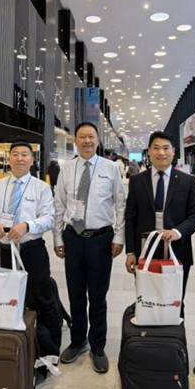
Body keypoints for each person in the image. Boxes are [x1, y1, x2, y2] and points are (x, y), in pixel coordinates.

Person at [0, 141, 61, 386]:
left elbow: (49, 217)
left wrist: (27, 226)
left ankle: (49, 351)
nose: (20, 158)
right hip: (1, 249)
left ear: (32, 160)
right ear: (9, 158)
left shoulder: (41, 187)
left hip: (31, 250)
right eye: (15, 154)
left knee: (42, 298)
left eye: (25, 154)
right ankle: (4, 343)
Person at [53, 122, 125, 374]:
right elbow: (59, 205)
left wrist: (119, 237)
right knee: (75, 294)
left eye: (91, 136)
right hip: (72, 237)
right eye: (82, 137)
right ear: (76, 140)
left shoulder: (110, 168)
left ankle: (98, 346)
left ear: (97, 140)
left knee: (97, 296)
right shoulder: (66, 169)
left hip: (100, 239)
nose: (87, 141)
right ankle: (77, 341)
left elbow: (120, 204)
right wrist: (58, 238)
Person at [124, 131, 195, 314]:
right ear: (149, 151)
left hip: (177, 250)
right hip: (145, 251)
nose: (161, 153)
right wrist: (130, 251)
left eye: (166, 148)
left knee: (175, 303)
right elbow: (131, 217)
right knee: (147, 302)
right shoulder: (137, 181)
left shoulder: (188, 182)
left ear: (173, 151)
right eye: (156, 148)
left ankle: (175, 331)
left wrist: (178, 232)